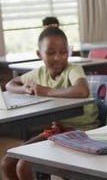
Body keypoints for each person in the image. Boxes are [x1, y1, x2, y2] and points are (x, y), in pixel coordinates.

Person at [1, 27, 99, 180]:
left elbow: (82, 90)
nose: (57, 58)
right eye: (51, 53)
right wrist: (25, 89)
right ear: (39, 54)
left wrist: (46, 91)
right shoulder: (40, 73)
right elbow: (10, 84)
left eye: (63, 52)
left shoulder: (73, 69)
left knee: (24, 165)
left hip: (81, 132)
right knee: (7, 162)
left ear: (70, 51)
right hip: (56, 131)